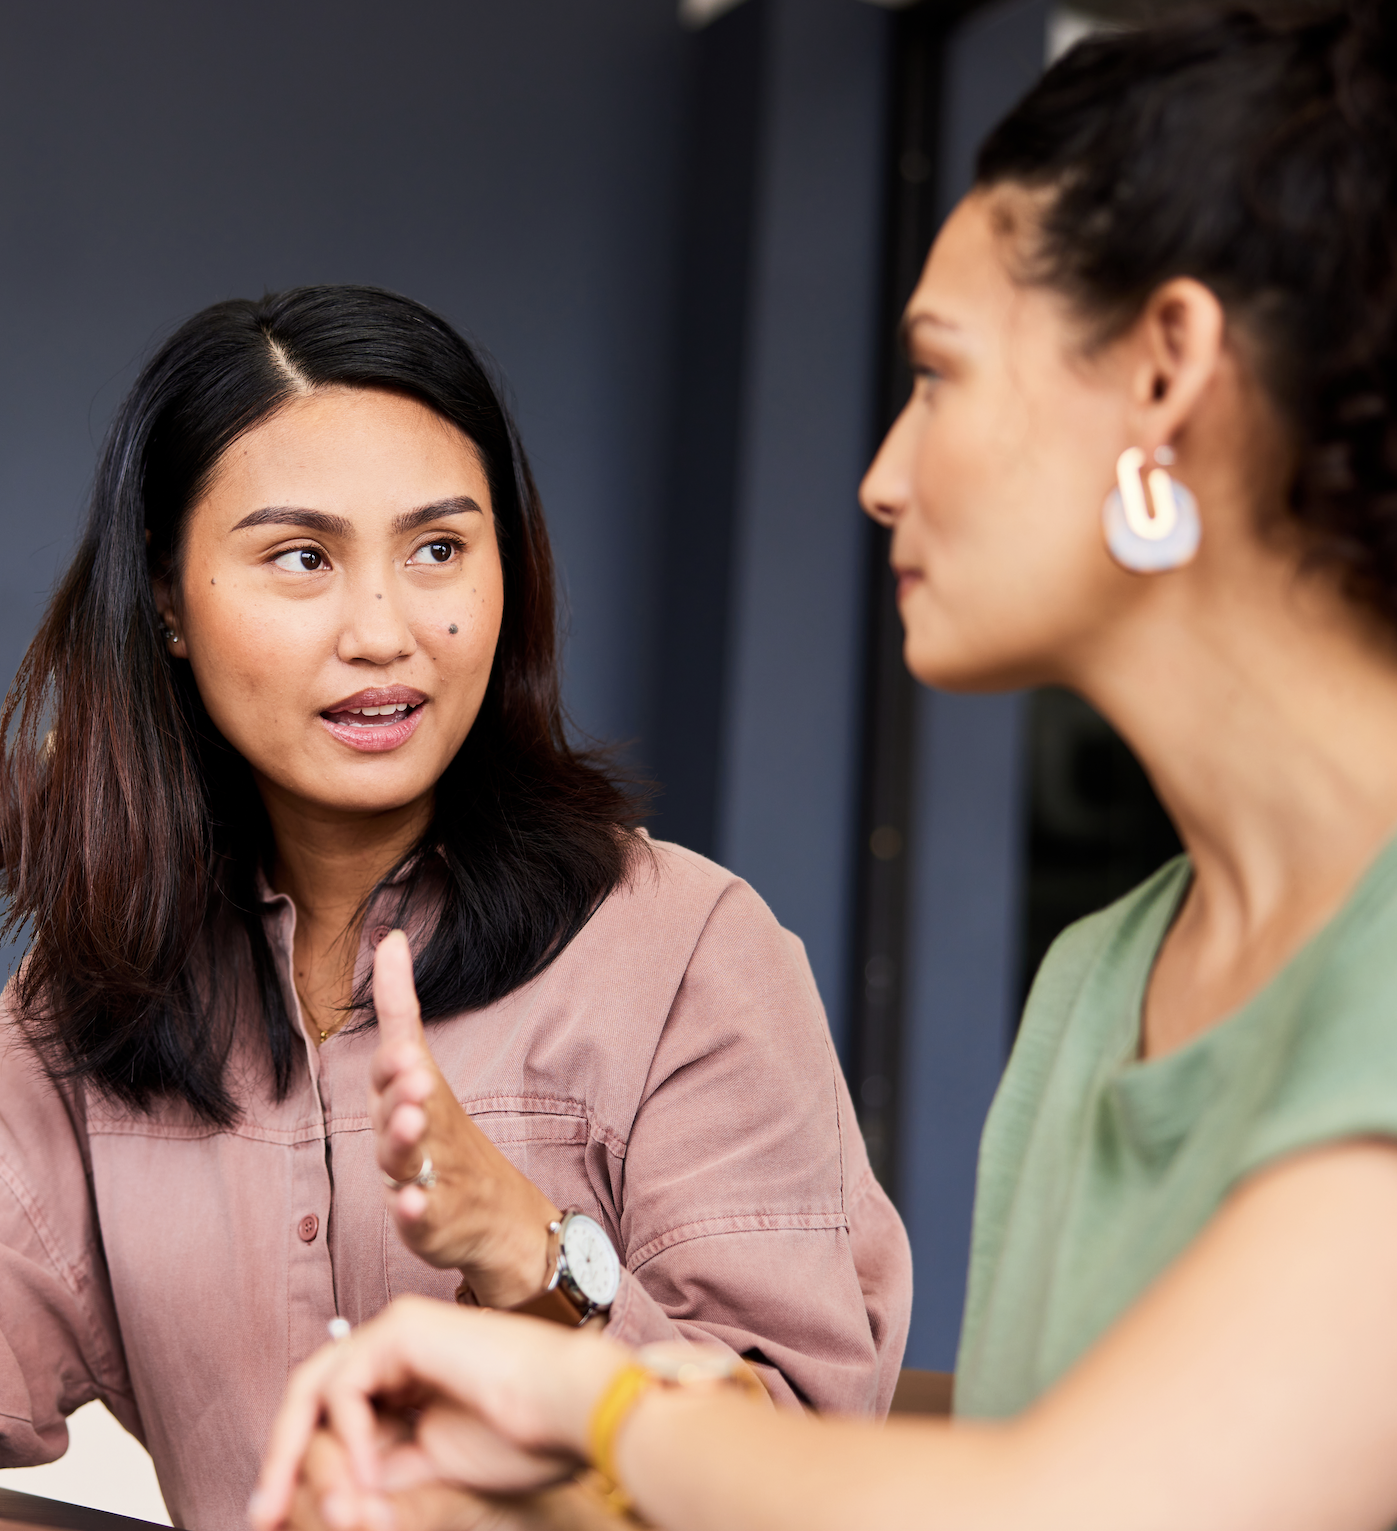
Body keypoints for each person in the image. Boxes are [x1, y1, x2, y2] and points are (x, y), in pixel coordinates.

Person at [252, 7, 1397, 1531]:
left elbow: (1083, 1502)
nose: (883, 475)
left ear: (1166, 370)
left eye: (938, 374)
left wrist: (598, 1402)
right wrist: (530, 1489)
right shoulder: (1096, 986)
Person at [0, 286, 911, 1527]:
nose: (384, 630)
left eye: (438, 549)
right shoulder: (101, 992)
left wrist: (527, 1248)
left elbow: (798, 1477)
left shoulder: (685, 951)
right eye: (301, 558)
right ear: (167, 603)